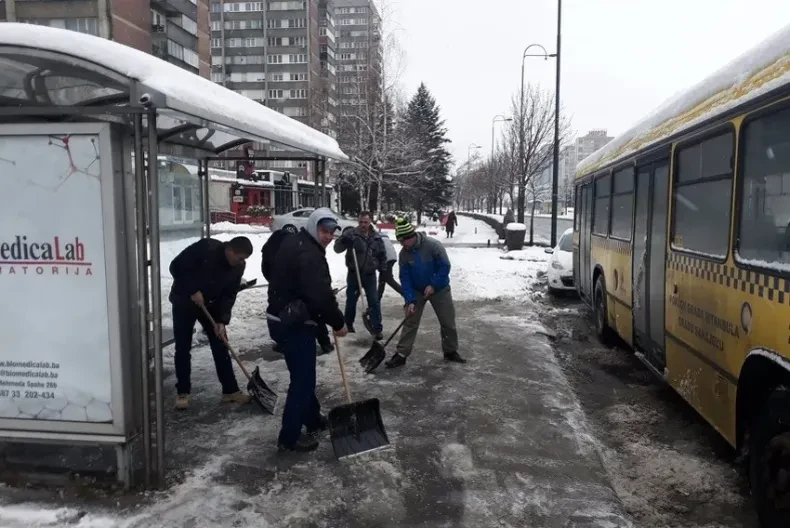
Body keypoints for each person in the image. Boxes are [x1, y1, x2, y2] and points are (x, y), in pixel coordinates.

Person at [267, 208, 347, 452]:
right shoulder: (308, 253)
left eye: (331, 233)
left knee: (302, 375)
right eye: (324, 231)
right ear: (313, 227)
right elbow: (319, 296)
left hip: (282, 317)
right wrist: (338, 322)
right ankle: (289, 438)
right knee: (302, 381)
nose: (328, 237)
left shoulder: (298, 242)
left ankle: (311, 418)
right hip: (294, 323)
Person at [168, 236, 254, 410]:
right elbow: (176, 266)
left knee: (221, 342)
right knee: (183, 347)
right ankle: (183, 392)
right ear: (230, 251)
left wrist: (222, 320)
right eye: (240, 258)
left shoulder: (238, 267)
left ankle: (230, 391)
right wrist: (192, 290)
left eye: (244, 259)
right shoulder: (206, 248)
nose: (242, 262)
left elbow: (230, 294)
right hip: (184, 301)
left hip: (211, 305)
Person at [385, 218, 466, 368]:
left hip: (440, 289)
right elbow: (405, 278)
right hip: (417, 290)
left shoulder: (433, 245)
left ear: (411, 237)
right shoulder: (404, 254)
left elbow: (445, 266)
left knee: (447, 321)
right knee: (410, 320)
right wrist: (410, 300)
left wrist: (434, 285)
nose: (402, 245)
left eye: (403, 241)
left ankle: (450, 351)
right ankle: (401, 354)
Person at [261, 229, 334, 356]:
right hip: (289, 290)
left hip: (281, 291)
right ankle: (324, 342)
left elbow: (266, 270)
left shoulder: (277, 250)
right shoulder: (289, 249)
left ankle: (284, 343)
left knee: (285, 315)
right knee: (313, 312)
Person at [334, 211, 386, 339]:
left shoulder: (376, 237)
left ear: (370, 222)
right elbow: (337, 249)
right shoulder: (351, 234)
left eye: (366, 222)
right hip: (354, 274)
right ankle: (348, 324)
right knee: (351, 300)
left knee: (374, 301)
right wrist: (344, 241)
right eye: (361, 222)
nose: (363, 225)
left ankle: (376, 328)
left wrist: (383, 270)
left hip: (370, 275)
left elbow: (382, 255)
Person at [377, 230, 402, 300]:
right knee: (382, 279)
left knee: (388, 279)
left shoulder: (373, 236)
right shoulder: (381, 235)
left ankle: (406, 294)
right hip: (391, 256)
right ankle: (377, 300)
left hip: (386, 258)